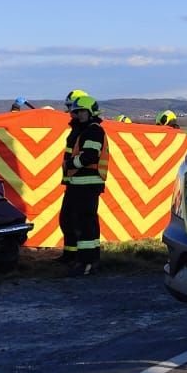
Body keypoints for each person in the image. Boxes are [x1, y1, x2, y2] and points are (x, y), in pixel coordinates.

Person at [59, 94, 108, 276]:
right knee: (77, 221)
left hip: (86, 185)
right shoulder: (85, 130)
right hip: (78, 184)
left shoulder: (93, 130)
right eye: (76, 112)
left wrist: (69, 164)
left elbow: (89, 157)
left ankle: (87, 263)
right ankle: (87, 260)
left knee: (85, 224)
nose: (77, 115)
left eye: (80, 112)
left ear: (90, 112)